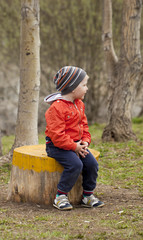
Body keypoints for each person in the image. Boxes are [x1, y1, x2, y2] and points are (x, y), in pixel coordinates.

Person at [44, 66, 104, 211]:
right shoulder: (56, 108)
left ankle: (87, 196)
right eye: (84, 85)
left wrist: (85, 141)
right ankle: (60, 196)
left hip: (77, 145)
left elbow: (84, 125)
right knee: (75, 165)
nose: (87, 88)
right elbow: (57, 135)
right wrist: (74, 147)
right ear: (72, 88)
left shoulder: (79, 104)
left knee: (91, 164)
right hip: (57, 147)